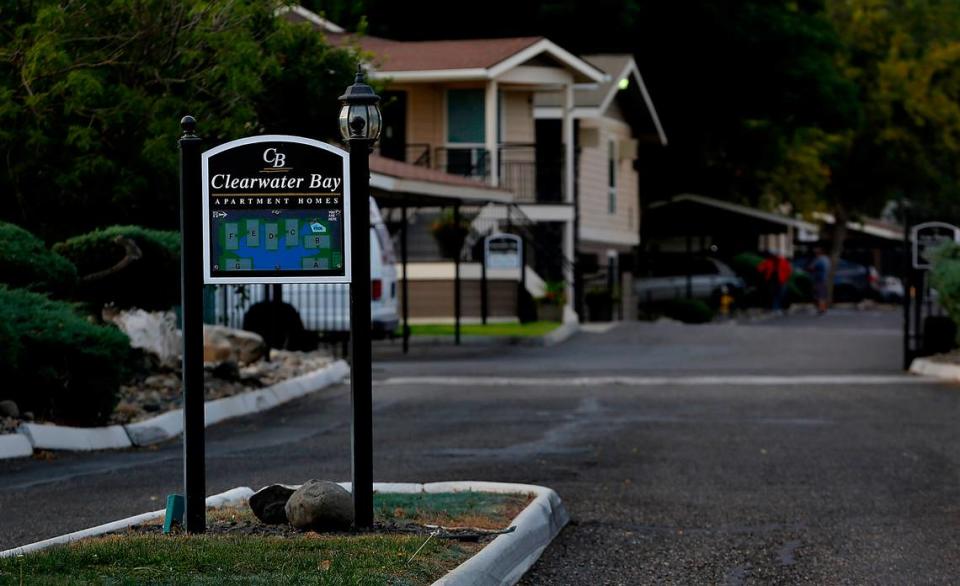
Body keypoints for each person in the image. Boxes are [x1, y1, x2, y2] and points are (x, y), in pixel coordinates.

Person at [808, 246, 831, 314]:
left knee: (820, 295)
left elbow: (811, 267)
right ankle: (823, 308)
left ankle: (821, 309)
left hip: (819, 279)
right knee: (823, 294)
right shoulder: (826, 259)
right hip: (824, 279)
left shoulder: (820, 259)